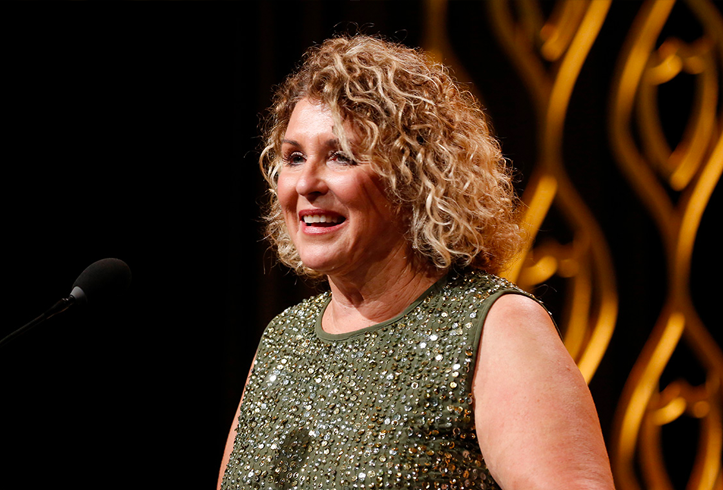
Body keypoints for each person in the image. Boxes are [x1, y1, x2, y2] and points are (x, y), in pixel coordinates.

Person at [218, 34, 615, 490]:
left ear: (415, 177)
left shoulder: (494, 326)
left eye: (341, 156)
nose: (305, 183)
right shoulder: (283, 343)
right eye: (293, 157)